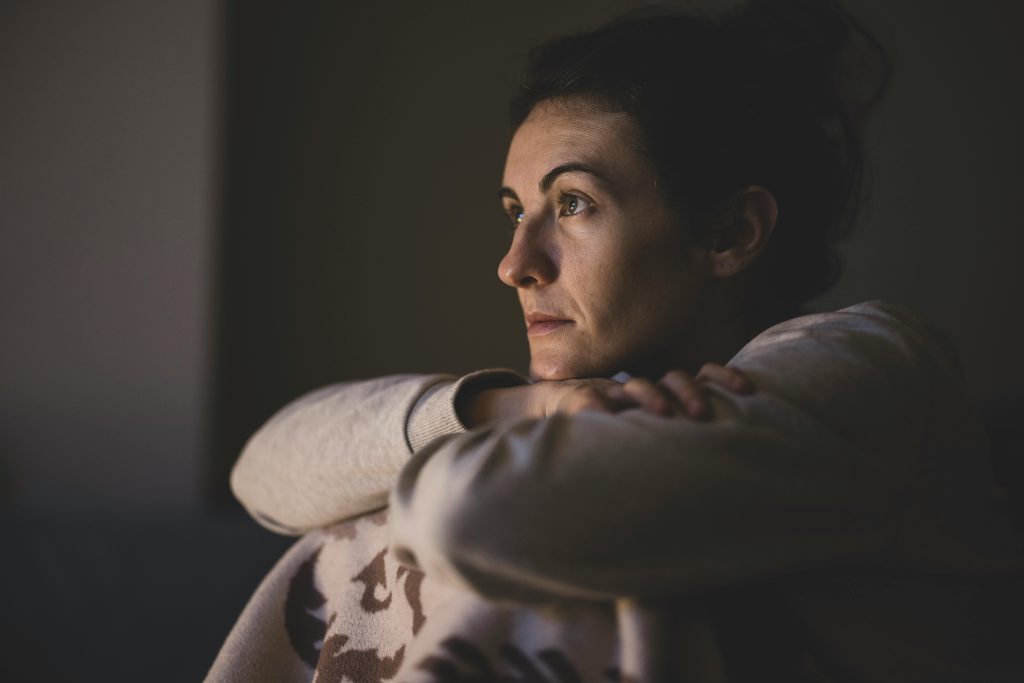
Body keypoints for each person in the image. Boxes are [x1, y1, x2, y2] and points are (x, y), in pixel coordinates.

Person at [206, 1, 1024, 681]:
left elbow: (469, 513)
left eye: (573, 204)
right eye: (515, 211)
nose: (514, 264)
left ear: (731, 232)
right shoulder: (573, 405)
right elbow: (264, 472)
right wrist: (508, 407)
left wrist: (507, 437)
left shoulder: (875, 369)